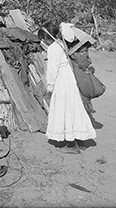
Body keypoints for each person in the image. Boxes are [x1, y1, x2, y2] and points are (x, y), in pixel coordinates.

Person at [38, 22, 96, 154]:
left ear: (47, 37)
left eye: (43, 39)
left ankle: (71, 144)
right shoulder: (63, 44)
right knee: (74, 108)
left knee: (65, 109)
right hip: (70, 79)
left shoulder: (53, 48)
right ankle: (80, 140)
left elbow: (52, 70)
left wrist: (50, 87)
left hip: (62, 81)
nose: (43, 41)